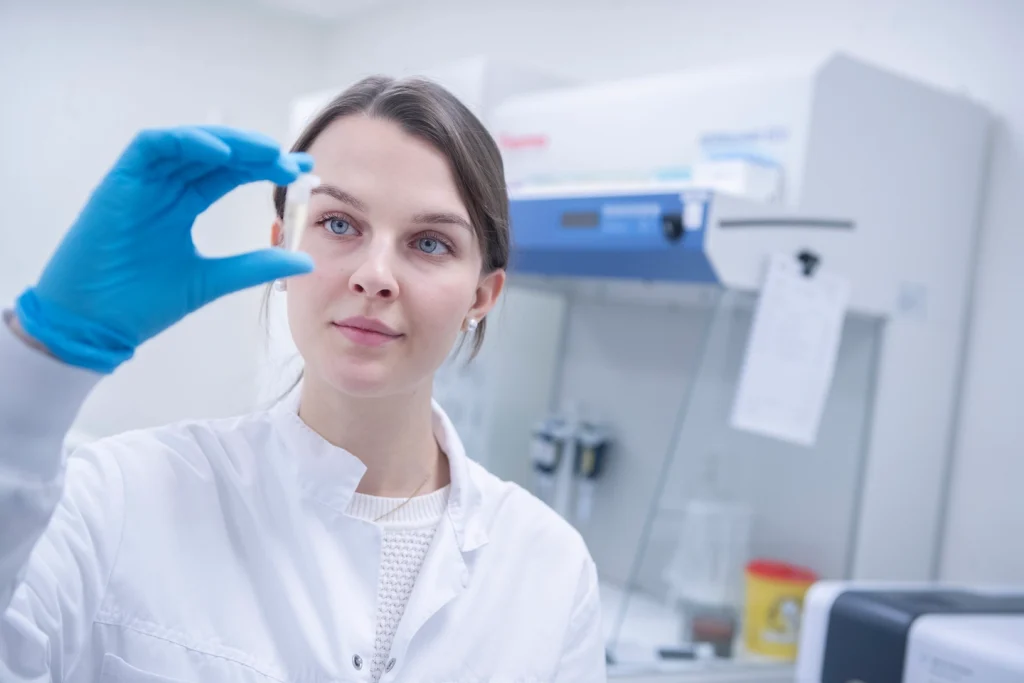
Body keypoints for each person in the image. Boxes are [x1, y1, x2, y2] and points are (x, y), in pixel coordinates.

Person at [0, 76, 606, 682]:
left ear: (482, 295)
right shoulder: (120, 498)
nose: (375, 276)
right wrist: (43, 358)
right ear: (280, 247)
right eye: (340, 224)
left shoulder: (549, 569)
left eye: (429, 242)